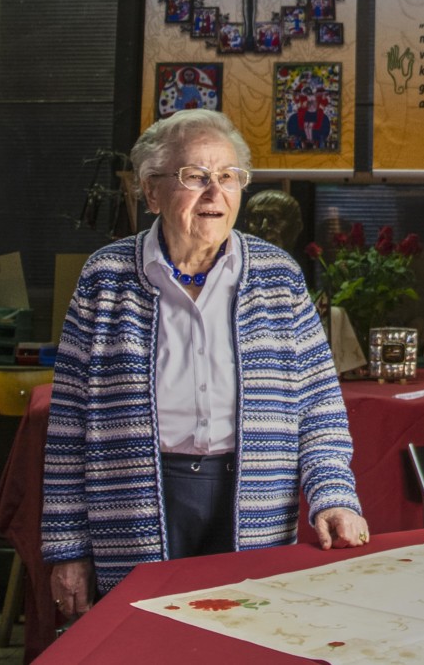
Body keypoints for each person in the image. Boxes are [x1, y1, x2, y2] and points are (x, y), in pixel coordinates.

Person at [42, 109, 368, 617]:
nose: (215, 192)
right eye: (195, 176)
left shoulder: (279, 277)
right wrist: (68, 548)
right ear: (152, 192)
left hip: (253, 496)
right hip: (136, 500)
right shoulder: (105, 277)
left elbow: (319, 407)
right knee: (144, 636)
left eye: (229, 176)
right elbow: (68, 424)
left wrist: (334, 496)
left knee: (246, 631)